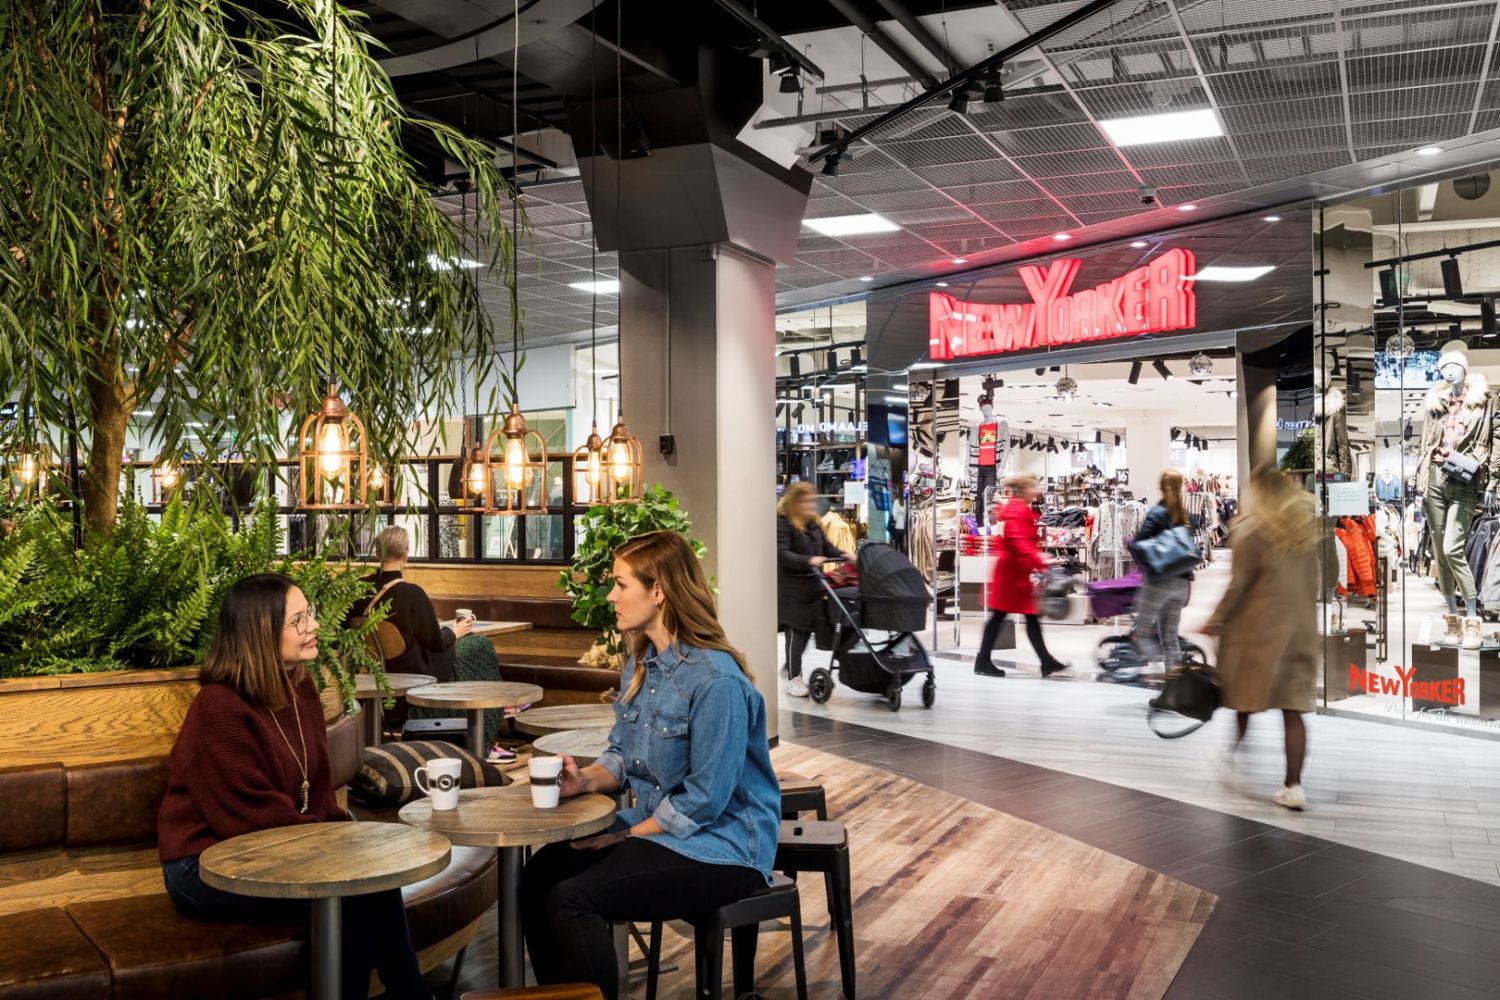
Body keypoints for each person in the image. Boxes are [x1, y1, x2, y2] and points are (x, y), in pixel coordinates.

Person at [519, 530, 780, 1000]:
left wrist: (623, 835)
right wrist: (584, 780)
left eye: (620, 584)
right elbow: (622, 755)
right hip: (660, 826)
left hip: (724, 846)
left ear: (658, 591)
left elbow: (704, 801)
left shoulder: (716, 681)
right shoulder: (641, 663)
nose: (611, 596)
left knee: (571, 897)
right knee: (538, 875)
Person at [157, 573, 433, 1000]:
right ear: (260, 632)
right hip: (205, 864)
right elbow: (249, 816)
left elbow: (317, 789)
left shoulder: (300, 685)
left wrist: (353, 842)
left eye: (311, 614)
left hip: (284, 847)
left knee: (368, 878)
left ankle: (410, 993)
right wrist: (339, 847)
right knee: (351, 895)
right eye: (298, 620)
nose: (314, 626)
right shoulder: (218, 706)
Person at [1203, 465, 1319, 811]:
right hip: (1299, 630)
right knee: (1293, 709)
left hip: (1260, 631)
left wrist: (1215, 620)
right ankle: (1293, 786)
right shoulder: (1306, 530)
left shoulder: (1250, 530)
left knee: (1245, 697)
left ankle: (1230, 754)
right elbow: (1321, 580)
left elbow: (1238, 585)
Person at [975, 474, 1069, 677]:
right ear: (1023, 490)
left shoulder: (1018, 509)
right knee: (1002, 616)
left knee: (1021, 615)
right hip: (1010, 574)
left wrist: (1037, 558)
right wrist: (1039, 558)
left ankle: (1045, 661)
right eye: (1033, 487)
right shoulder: (1016, 511)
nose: (1036, 490)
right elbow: (1019, 542)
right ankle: (983, 662)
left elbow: (1022, 542)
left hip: (1015, 571)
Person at [349, 525, 472, 682]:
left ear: (377, 555)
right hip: (412, 671)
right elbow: (436, 644)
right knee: (477, 645)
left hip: (371, 669)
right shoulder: (412, 594)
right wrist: (454, 632)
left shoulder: (356, 588)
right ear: (405, 555)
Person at [776, 481, 846, 697]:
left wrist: (845, 555)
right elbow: (782, 553)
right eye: (805, 501)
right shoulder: (784, 523)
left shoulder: (814, 523)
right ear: (794, 501)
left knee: (806, 629)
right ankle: (794, 678)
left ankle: (789, 667)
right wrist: (808, 560)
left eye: (811, 500)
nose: (809, 505)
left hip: (812, 586)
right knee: (795, 631)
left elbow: (827, 548)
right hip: (791, 588)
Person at [1132, 469, 1194, 672]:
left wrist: (1146, 565)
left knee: (1141, 634)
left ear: (1160, 487)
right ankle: (1175, 684)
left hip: (1160, 581)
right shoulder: (1184, 516)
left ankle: (1156, 675)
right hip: (1182, 584)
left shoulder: (1157, 513)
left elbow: (1138, 544)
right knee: (1170, 638)